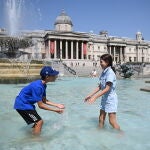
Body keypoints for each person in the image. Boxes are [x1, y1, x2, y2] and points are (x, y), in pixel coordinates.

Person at [14, 66, 65, 135]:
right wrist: (55, 110)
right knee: (39, 122)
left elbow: (44, 101)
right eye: (53, 75)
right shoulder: (38, 87)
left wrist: (57, 105)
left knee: (37, 122)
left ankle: (32, 135)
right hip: (22, 105)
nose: (55, 76)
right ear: (47, 77)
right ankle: (36, 140)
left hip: (27, 105)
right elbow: (41, 105)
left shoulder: (43, 85)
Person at [85, 54, 120, 130]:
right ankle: (100, 135)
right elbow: (100, 86)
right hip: (104, 98)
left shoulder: (110, 73)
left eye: (101, 62)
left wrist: (95, 97)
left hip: (111, 100)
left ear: (107, 62)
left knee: (112, 121)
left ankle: (121, 135)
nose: (100, 63)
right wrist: (90, 95)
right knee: (101, 118)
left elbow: (107, 88)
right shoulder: (104, 72)